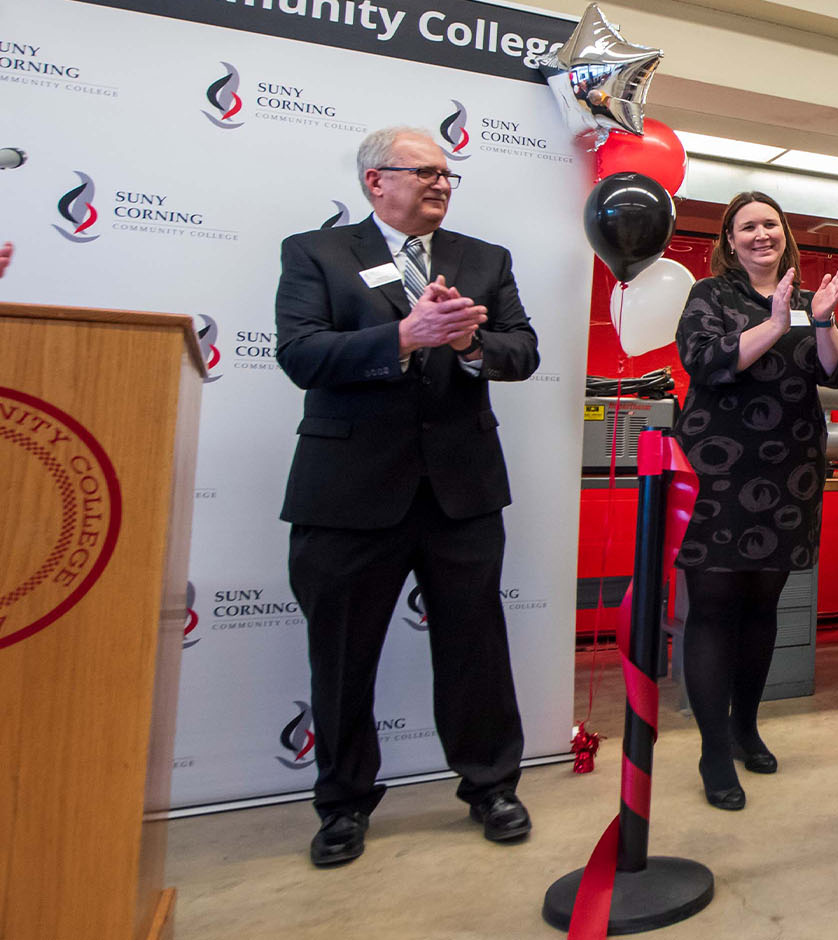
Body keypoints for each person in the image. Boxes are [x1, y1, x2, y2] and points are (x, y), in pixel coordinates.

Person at [275, 126, 539, 867]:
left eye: (448, 174)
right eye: (423, 171)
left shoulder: (483, 261)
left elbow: (522, 350)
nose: (441, 183)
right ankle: (343, 804)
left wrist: (465, 345)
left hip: (462, 491)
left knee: (475, 650)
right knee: (342, 657)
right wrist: (404, 336)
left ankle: (491, 784)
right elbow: (300, 354)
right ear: (374, 181)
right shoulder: (316, 255)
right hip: (348, 495)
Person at [673, 191, 838, 811]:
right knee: (715, 606)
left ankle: (747, 726)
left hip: (788, 471)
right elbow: (705, 362)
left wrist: (823, 320)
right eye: (746, 226)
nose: (760, 235)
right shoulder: (710, 297)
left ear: (786, 236)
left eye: (770, 225)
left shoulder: (809, 301)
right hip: (720, 468)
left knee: (762, 604)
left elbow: (834, 376)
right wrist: (774, 324)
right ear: (728, 240)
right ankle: (713, 749)